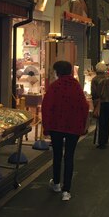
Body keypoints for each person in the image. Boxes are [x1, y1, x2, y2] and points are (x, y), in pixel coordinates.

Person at [42, 60, 89, 201]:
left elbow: (46, 107)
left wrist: (47, 126)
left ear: (58, 72)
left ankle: (56, 183)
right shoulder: (76, 87)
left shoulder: (54, 87)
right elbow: (84, 106)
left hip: (56, 126)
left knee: (57, 154)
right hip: (73, 127)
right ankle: (66, 191)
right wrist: (82, 124)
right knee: (69, 156)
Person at [91, 62, 109, 149]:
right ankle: (105, 139)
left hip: (100, 103)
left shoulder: (95, 79)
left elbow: (94, 93)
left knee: (100, 122)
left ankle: (101, 142)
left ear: (96, 69)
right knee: (107, 121)